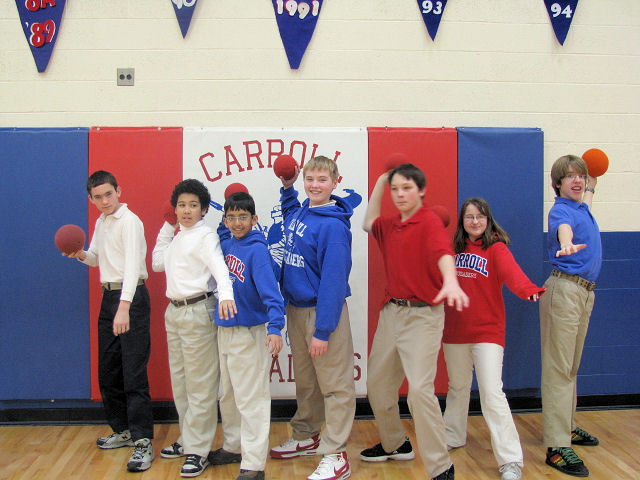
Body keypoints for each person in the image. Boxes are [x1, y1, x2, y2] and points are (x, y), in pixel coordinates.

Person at [361, 163, 468, 480]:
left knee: (420, 391)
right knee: (377, 386)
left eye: (406, 188)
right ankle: (395, 444)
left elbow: (443, 254)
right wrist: (382, 181)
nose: (400, 194)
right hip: (391, 313)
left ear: (421, 191)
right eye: (395, 189)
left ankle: (441, 466)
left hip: (423, 316)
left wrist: (451, 280)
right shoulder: (390, 225)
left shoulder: (429, 221)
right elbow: (368, 222)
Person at [442, 197, 545, 480]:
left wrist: (529, 290)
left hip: (488, 332)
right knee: (457, 387)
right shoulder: (453, 250)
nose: (475, 221)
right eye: (469, 217)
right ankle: (452, 435)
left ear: (488, 220)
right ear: (462, 222)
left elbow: (514, 276)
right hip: (455, 331)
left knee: (491, 392)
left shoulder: (496, 248)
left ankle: (510, 460)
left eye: (480, 216)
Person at [268, 156, 356, 480]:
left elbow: (334, 283)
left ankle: (336, 454)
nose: (315, 185)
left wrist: (323, 330)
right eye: (310, 179)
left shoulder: (333, 227)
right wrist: (287, 189)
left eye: (322, 180)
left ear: (335, 182)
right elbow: (291, 214)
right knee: (307, 382)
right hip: (296, 309)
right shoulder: (304, 210)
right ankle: (306, 436)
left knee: (335, 386)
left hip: (323, 313)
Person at [65, 170, 154, 472]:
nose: (104, 201)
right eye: (98, 197)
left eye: (108, 194)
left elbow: (132, 266)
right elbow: (96, 258)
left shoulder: (130, 221)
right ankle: (123, 430)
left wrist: (124, 307)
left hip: (132, 299)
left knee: (133, 372)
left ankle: (143, 441)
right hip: (110, 298)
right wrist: (80, 254)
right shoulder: (101, 223)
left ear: (119, 191)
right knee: (108, 370)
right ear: (91, 199)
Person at [151, 179, 236, 478]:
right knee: (182, 383)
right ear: (175, 209)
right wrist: (166, 226)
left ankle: (198, 451)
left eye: (193, 205)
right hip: (174, 313)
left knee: (200, 385)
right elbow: (157, 263)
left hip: (198, 311)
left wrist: (226, 296)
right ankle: (188, 438)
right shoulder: (177, 237)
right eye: (181, 205)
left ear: (203, 210)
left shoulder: (205, 236)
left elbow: (220, 269)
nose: (186, 211)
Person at [211, 191, 285, 480]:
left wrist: (275, 328)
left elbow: (272, 294)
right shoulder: (226, 243)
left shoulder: (258, 251)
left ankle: (254, 464)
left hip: (249, 331)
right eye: (231, 217)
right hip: (225, 329)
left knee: (251, 399)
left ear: (255, 219)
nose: (237, 223)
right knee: (227, 395)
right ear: (225, 220)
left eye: (243, 217)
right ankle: (233, 446)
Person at [540, 155, 601, 477]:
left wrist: (593, 182)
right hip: (564, 290)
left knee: (571, 367)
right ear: (558, 183)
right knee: (559, 369)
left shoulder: (581, 208)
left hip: (584, 292)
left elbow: (587, 196)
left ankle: (567, 426)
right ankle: (556, 446)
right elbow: (564, 230)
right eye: (570, 176)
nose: (577, 180)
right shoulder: (561, 211)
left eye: (581, 176)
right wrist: (566, 244)